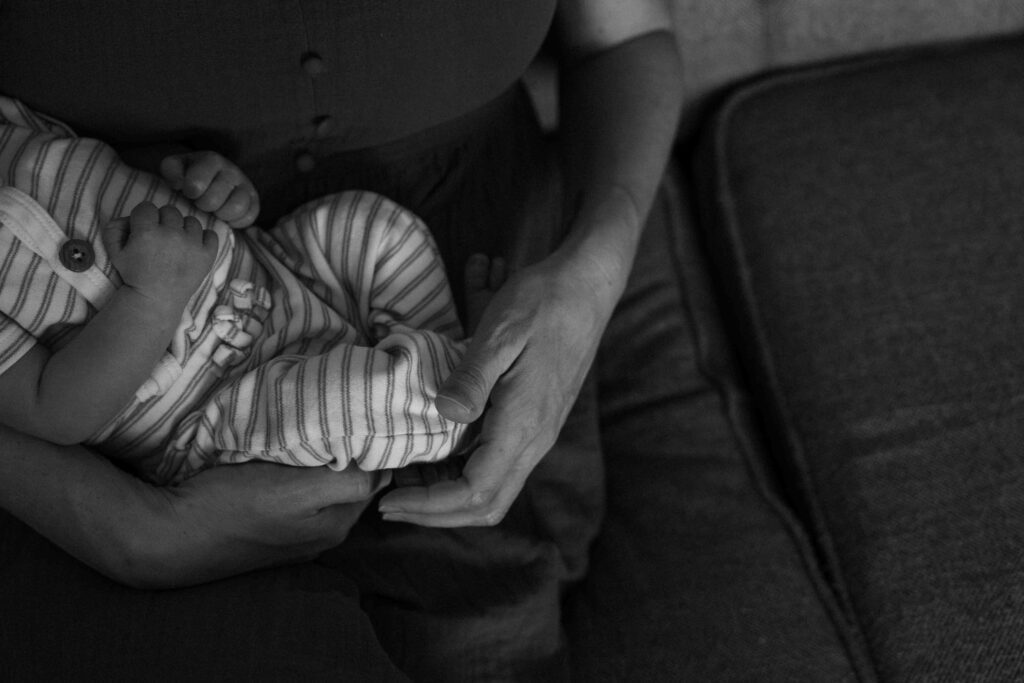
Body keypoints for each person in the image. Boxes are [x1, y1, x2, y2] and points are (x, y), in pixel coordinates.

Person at [0, 1, 683, 679]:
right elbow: (53, 409)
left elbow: (625, 37)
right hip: (205, 413)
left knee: (371, 232)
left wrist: (592, 274)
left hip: (301, 261)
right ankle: (446, 409)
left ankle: (455, 372)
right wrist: (132, 533)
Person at [0, 96, 501, 485]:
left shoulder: (11, 123)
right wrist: (152, 300)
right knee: (346, 401)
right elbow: (53, 411)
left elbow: (114, 164)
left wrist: (201, 179)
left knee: (369, 227)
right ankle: (466, 414)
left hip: (278, 272)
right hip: (222, 408)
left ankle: (454, 356)